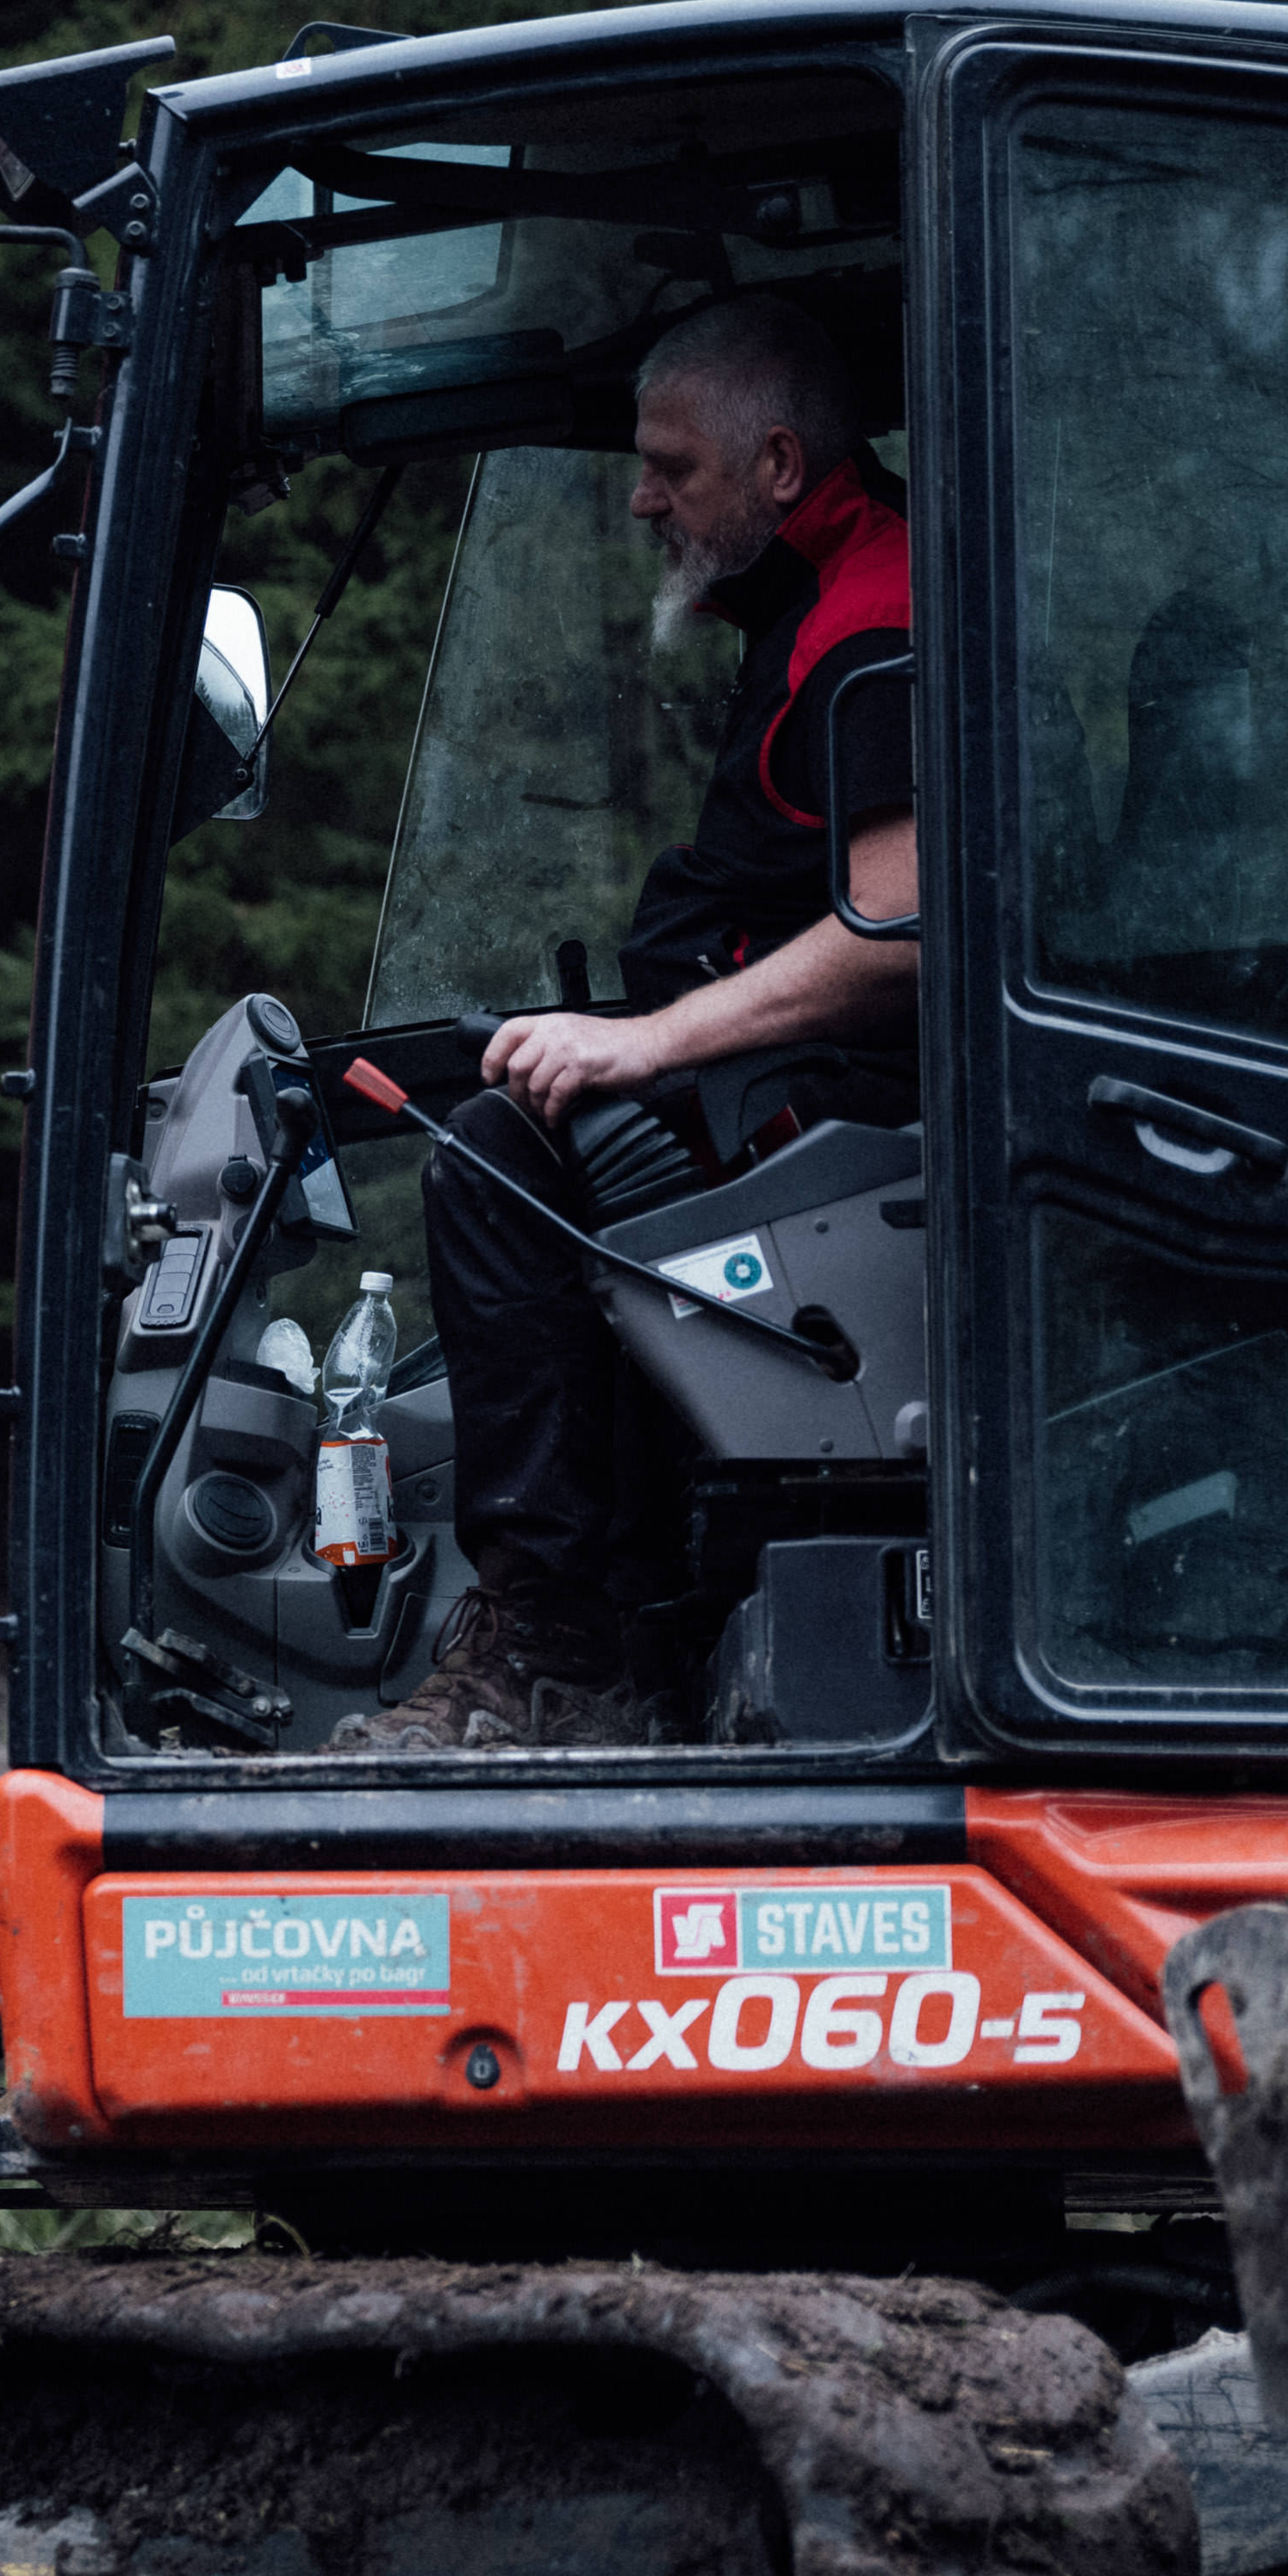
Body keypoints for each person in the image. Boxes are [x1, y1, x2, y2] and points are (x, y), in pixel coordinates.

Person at [349, 295, 918, 1752]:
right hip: (769, 1071)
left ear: (779, 464)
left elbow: (897, 931)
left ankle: (565, 1644)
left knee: (495, 1160)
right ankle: (628, 1610)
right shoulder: (821, 593)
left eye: (670, 463)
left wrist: (646, 1044)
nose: (640, 494)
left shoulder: (873, 625)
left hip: (833, 1101)